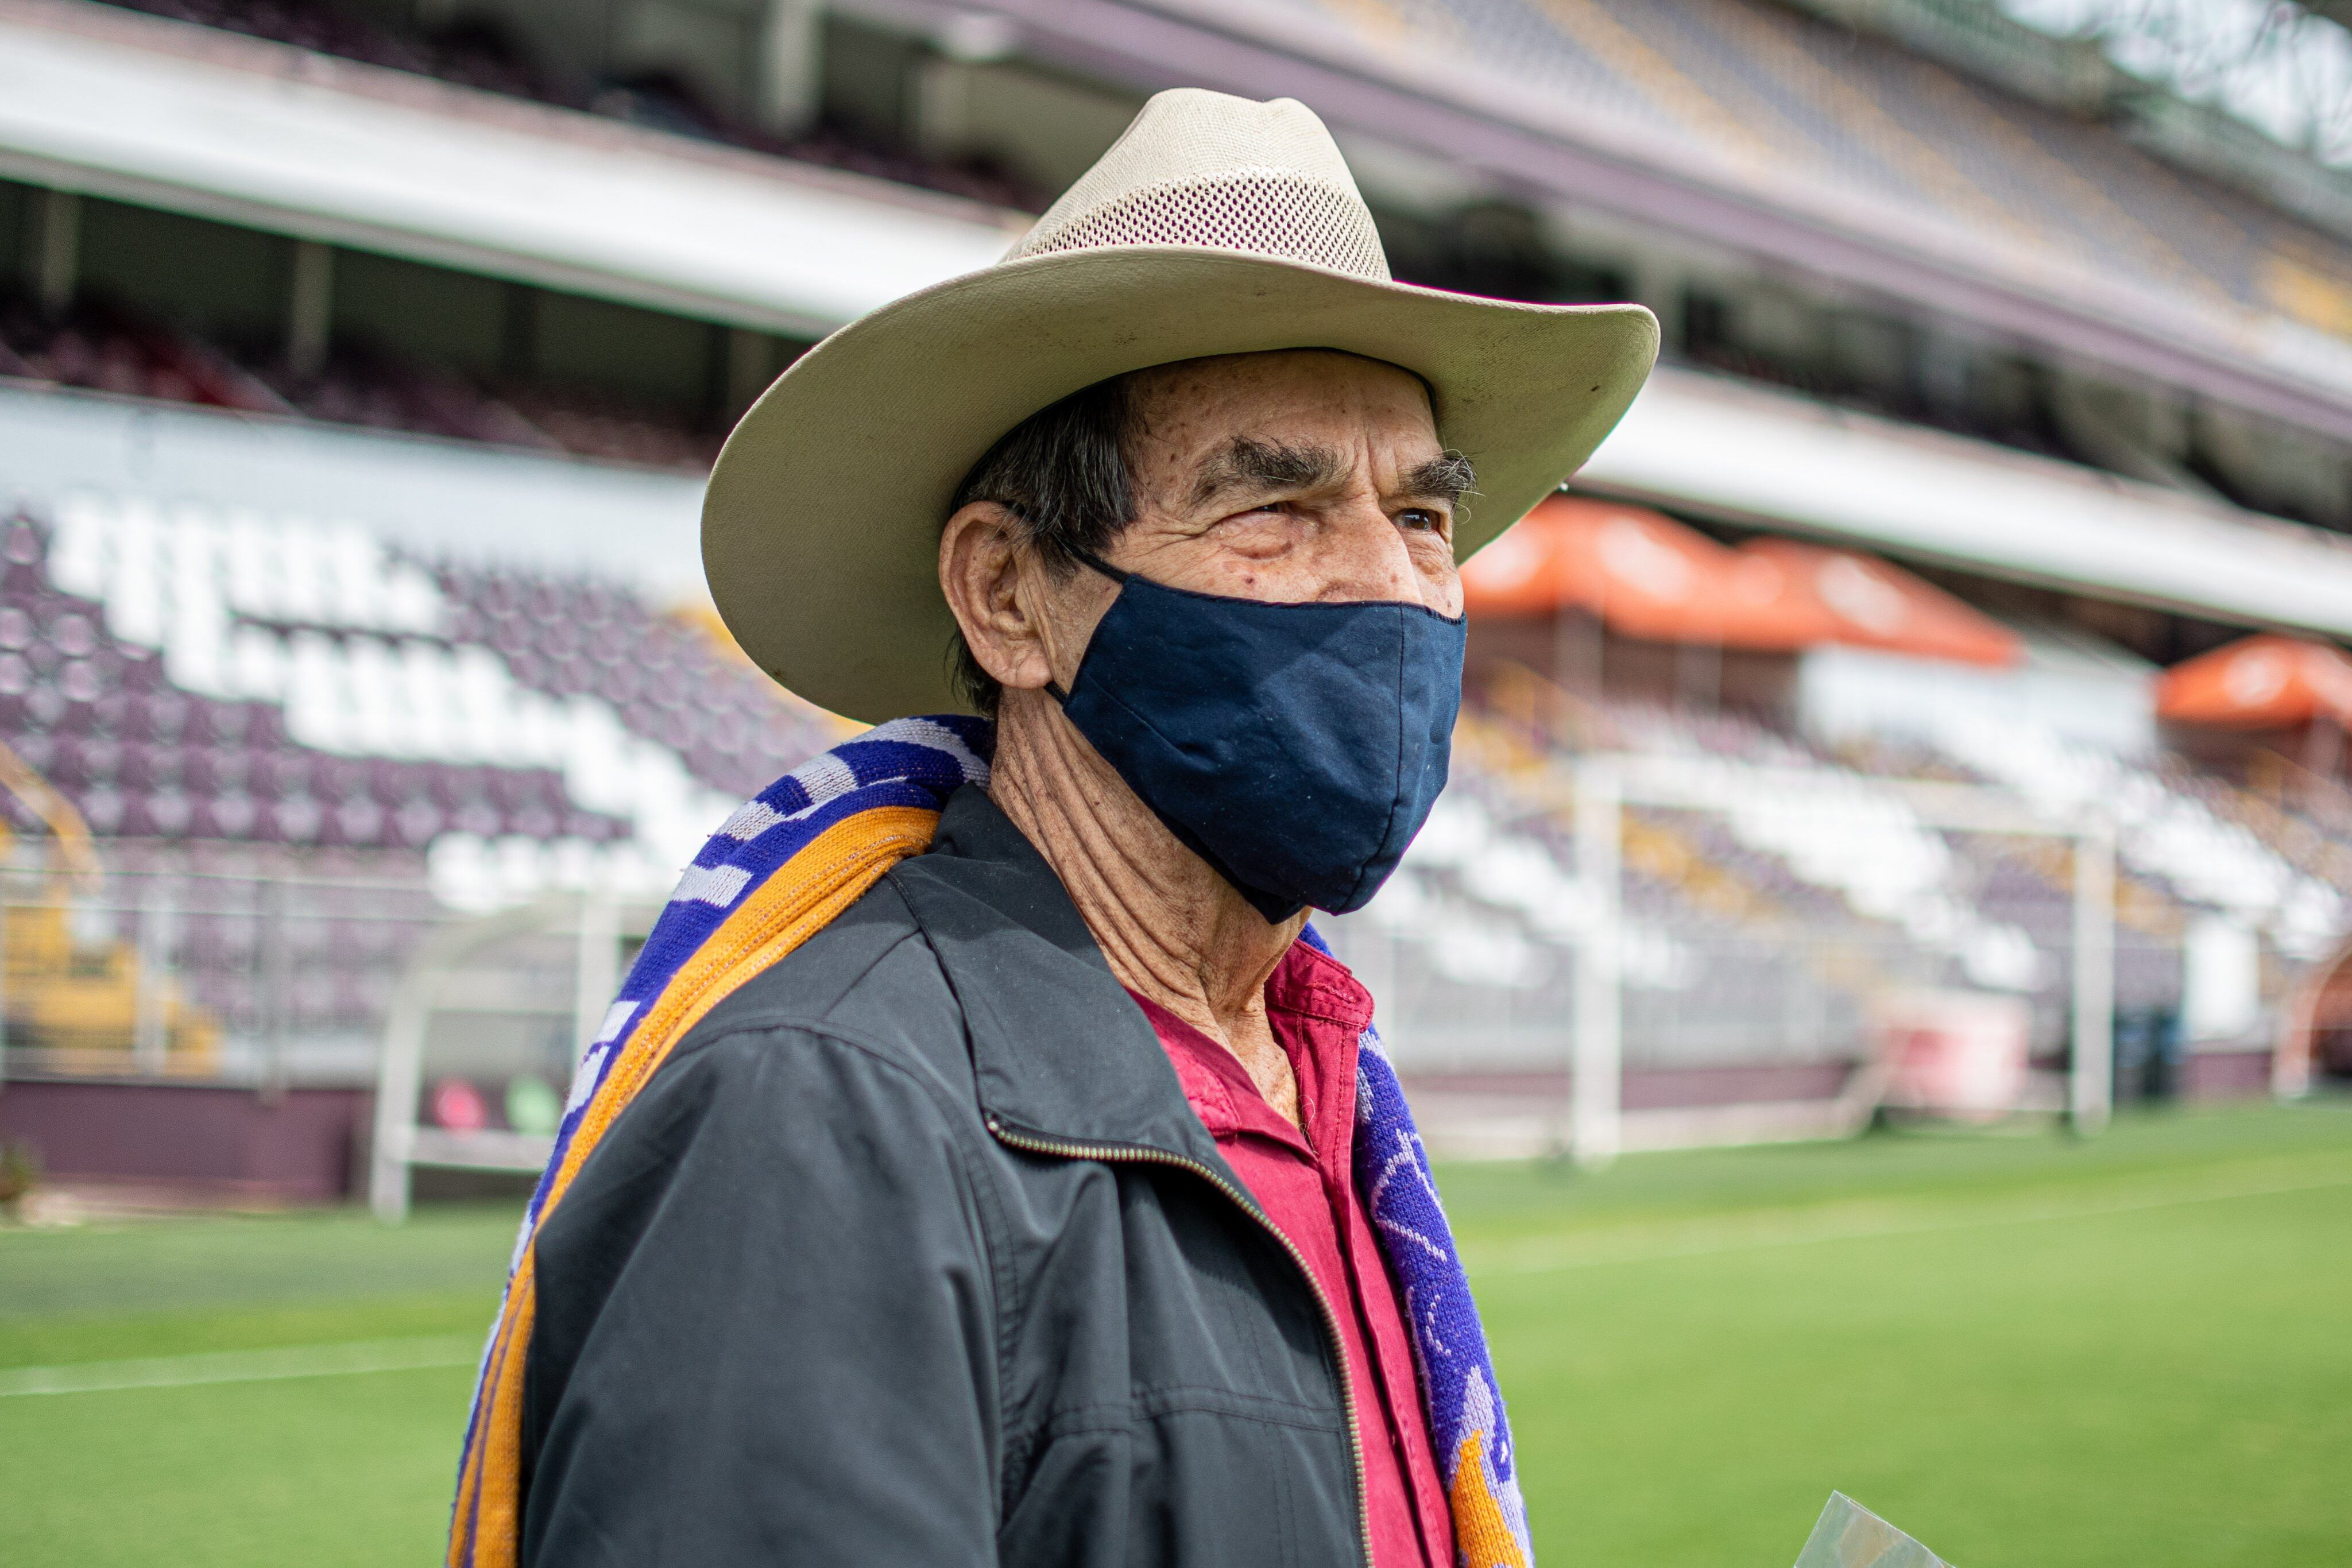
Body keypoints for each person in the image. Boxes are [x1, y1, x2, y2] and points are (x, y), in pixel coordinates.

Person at [448, 89, 1654, 1568]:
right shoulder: (822, 1117)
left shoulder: (1319, 1084)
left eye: (1421, 516)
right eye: (1275, 506)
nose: (1393, 584)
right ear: (1013, 597)